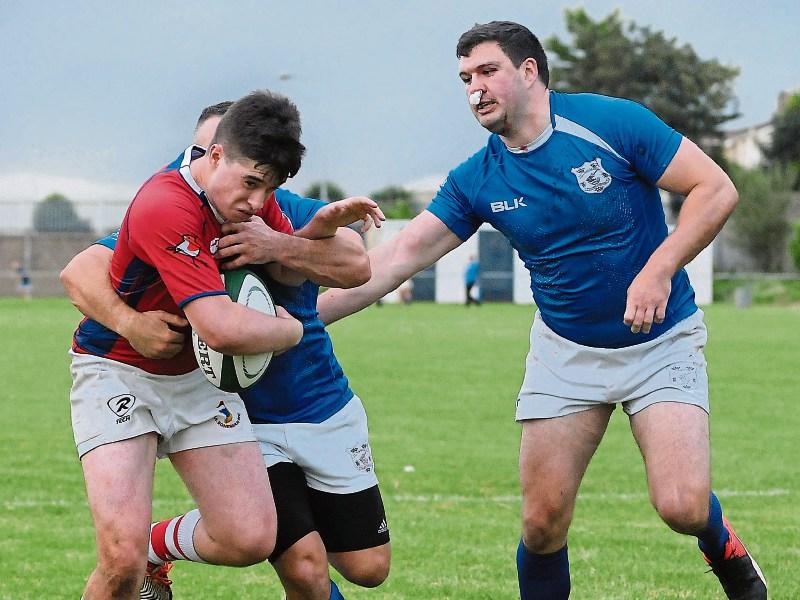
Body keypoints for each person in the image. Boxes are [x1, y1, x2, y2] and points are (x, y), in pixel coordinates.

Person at [318, 21, 766, 600]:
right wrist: (298, 323)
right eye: (464, 78)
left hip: (661, 342)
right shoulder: (478, 177)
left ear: (529, 71)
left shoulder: (611, 123)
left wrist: (658, 270)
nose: (473, 89)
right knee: (541, 524)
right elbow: (397, 258)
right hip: (565, 355)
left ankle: (720, 542)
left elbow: (716, 188)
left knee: (680, 505)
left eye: (486, 71)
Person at [62, 102, 389, 600]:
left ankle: (156, 547)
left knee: (250, 537)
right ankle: (140, 556)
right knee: (120, 560)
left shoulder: (252, 201)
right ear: (214, 155)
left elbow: (340, 266)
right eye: (251, 184)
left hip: (200, 380)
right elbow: (219, 328)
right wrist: (290, 330)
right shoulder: (165, 203)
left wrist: (307, 235)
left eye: (268, 188)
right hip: (119, 373)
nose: (258, 202)